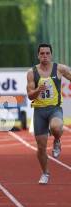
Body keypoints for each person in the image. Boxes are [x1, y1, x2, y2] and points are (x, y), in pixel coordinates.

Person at [26, 43, 71, 184]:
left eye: (47, 53)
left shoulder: (60, 69)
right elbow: (30, 95)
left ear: (51, 55)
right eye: (42, 54)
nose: (45, 56)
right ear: (38, 55)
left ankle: (57, 140)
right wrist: (38, 90)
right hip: (39, 111)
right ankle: (45, 173)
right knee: (41, 147)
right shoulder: (32, 73)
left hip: (54, 109)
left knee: (57, 127)